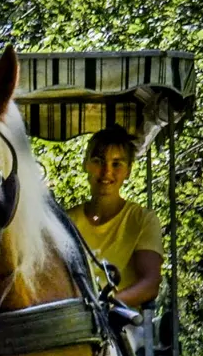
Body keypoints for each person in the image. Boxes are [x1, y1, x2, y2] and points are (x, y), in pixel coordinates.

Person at [70, 125, 163, 309]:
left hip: (124, 322)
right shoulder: (67, 221)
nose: (106, 172)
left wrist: (106, 305)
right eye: (98, 161)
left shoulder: (142, 220)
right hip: (74, 321)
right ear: (85, 164)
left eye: (116, 164)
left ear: (128, 171)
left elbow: (150, 283)